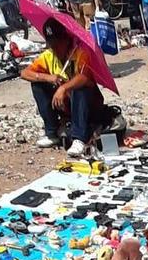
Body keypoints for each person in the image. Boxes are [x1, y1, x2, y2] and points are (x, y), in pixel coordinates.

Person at [21, 18, 104, 157]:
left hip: (89, 104)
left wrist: (64, 88)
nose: (55, 48)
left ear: (65, 40)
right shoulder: (49, 56)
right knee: (37, 85)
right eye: (51, 44)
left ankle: (80, 138)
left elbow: (84, 77)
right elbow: (24, 73)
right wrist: (48, 77)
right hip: (67, 105)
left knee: (79, 87)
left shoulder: (80, 53)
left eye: (57, 44)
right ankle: (52, 132)